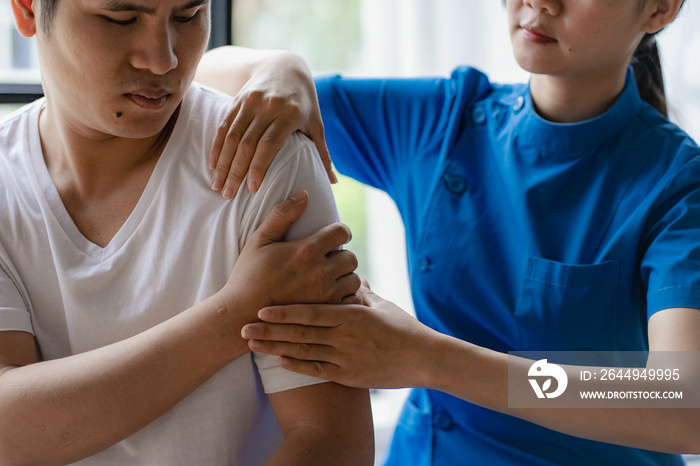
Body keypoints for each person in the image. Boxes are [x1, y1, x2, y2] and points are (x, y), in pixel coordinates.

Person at [198, 0, 700, 464]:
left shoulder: (677, 184)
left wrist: (425, 358)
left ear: (658, 9)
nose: (541, 1)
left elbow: (684, 404)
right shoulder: (444, 119)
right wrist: (283, 69)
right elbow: (205, 78)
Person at [0, 0, 374, 465]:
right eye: (121, 18)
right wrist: (231, 316)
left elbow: (331, 443)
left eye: (187, 16)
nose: (163, 60)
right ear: (28, 11)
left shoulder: (266, 162)